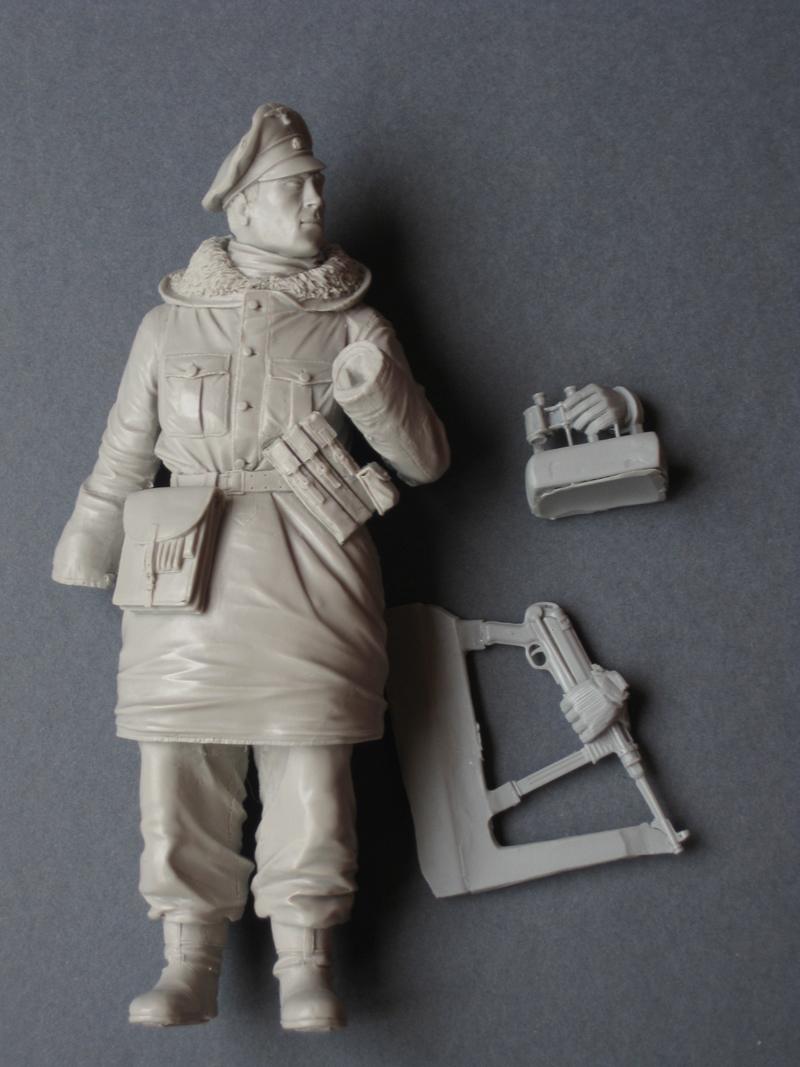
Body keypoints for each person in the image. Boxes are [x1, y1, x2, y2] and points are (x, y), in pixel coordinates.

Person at [52, 103, 450, 1032]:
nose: (314, 201)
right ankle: (186, 957)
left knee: (310, 760)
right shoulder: (166, 327)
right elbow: (124, 451)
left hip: (312, 561)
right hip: (181, 566)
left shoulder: (356, 323)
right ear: (241, 208)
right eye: (293, 188)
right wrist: (89, 535)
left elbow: (427, 459)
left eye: (318, 186)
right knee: (178, 760)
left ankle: (305, 960)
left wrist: (375, 385)